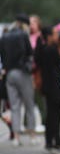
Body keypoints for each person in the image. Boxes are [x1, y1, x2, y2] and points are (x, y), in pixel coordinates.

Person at [0, 14, 37, 146]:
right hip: (23, 72)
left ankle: (16, 137)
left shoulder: (5, 35)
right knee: (29, 105)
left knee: (14, 106)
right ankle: (32, 135)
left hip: (9, 73)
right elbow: (30, 53)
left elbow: (2, 55)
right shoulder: (23, 35)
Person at [35, 26, 60, 152]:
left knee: (50, 114)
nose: (56, 36)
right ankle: (56, 141)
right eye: (54, 34)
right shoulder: (52, 50)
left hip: (47, 86)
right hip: (55, 85)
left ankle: (51, 141)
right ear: (48, 36)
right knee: (56, 114)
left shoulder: (41, 50)